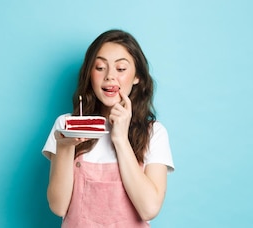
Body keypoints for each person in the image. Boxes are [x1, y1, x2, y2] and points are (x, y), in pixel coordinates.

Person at [42, 29, 175, 227]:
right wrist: (64, 147)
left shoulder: (154, 133)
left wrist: (120, 139)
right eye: (100, 67)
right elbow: (58, 206)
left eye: (121, 69)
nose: (110, 76)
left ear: (137, 76)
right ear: (89, 74)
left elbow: (149, 208)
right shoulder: (66, 125)